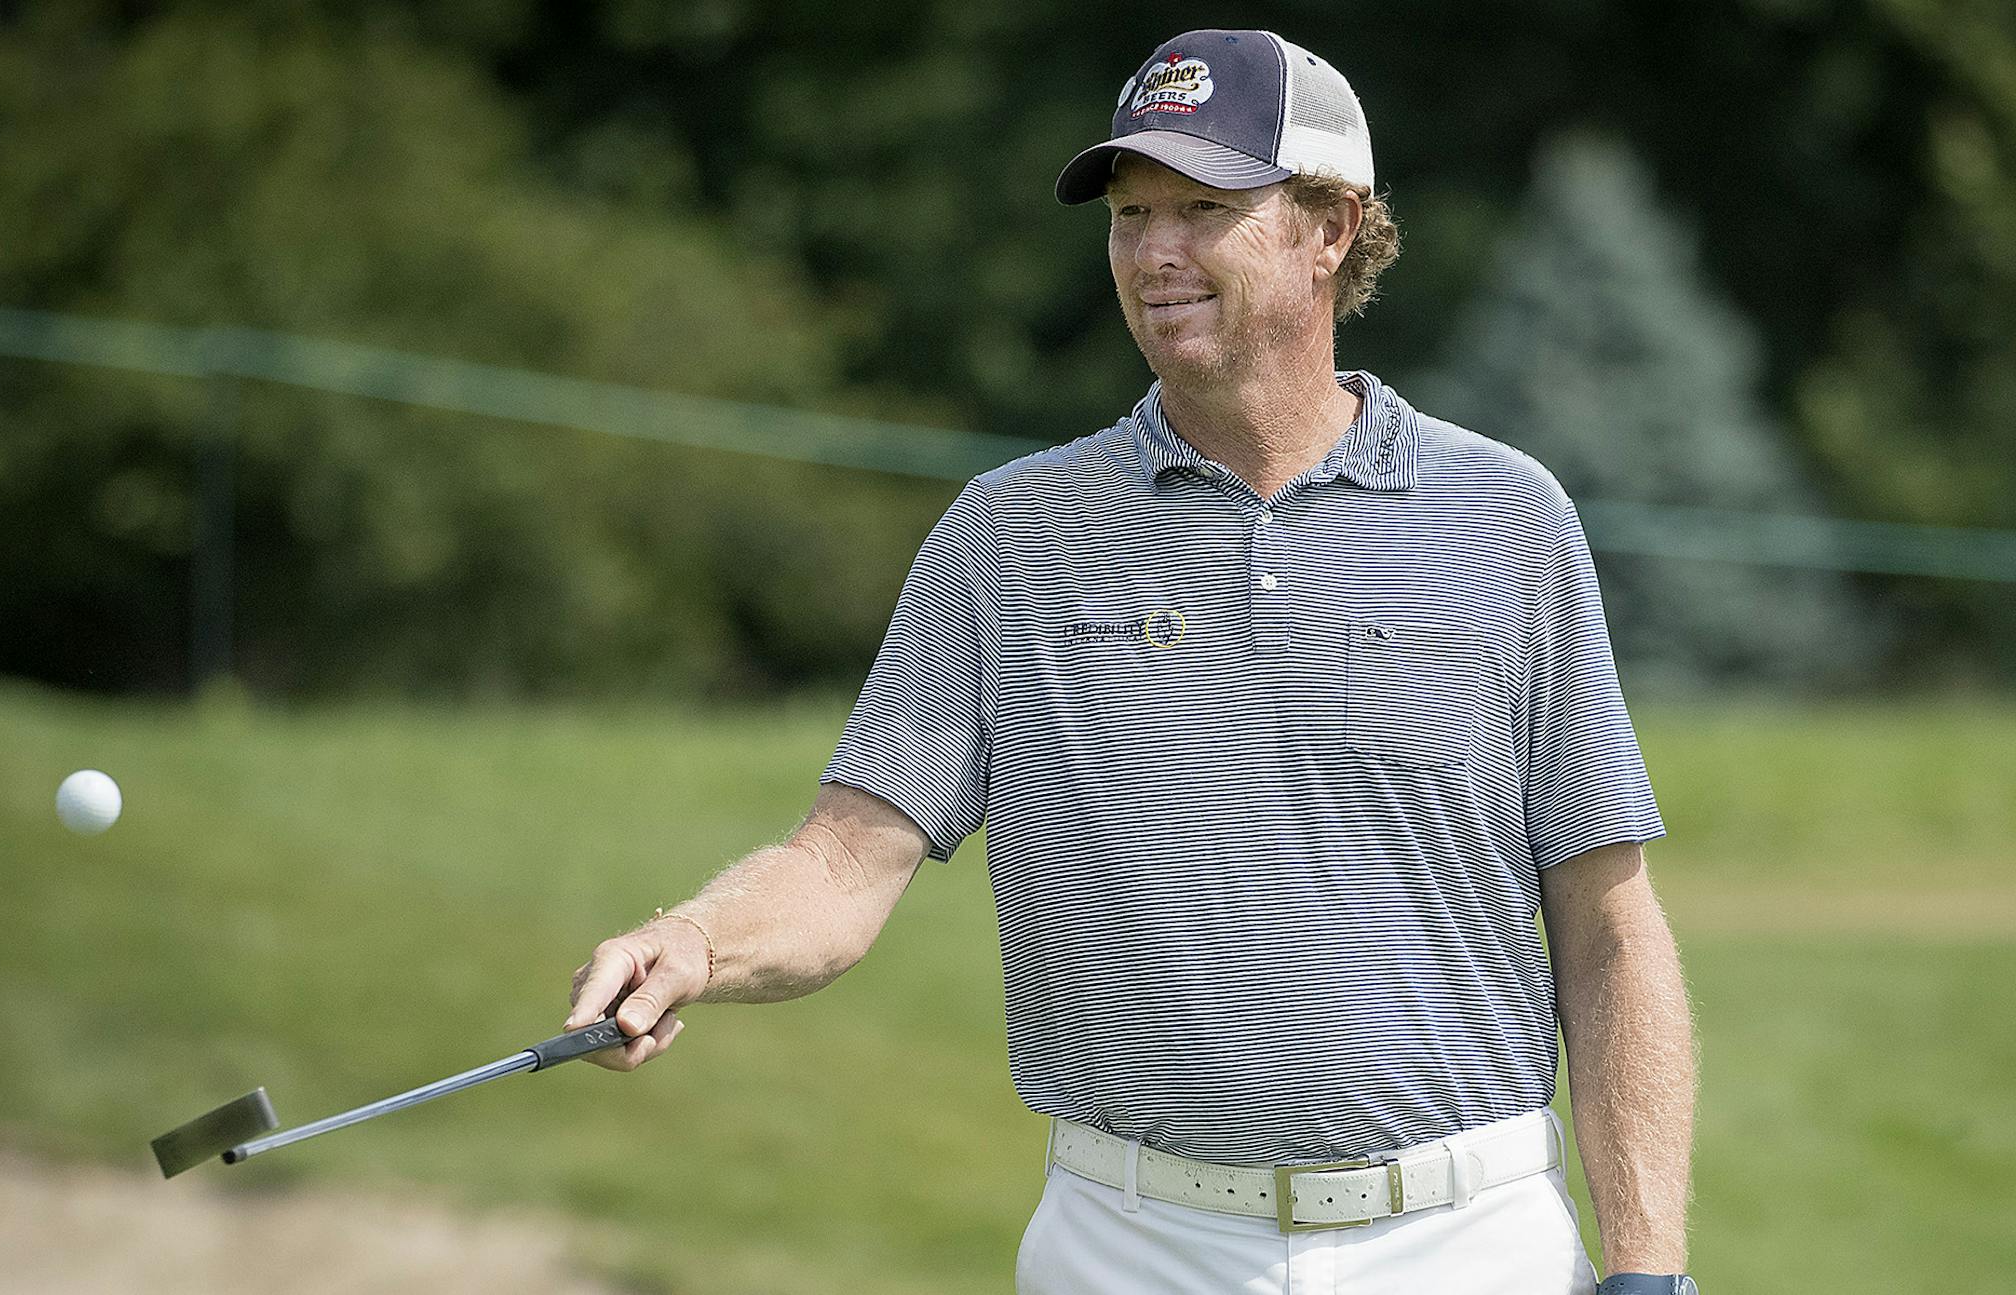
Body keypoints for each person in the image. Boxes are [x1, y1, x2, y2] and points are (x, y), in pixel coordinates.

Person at [563, 28, 1696, 1295]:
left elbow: (1607, 926)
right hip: (1131, 1245)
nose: (1154, 252)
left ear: (1331, 228)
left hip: (1462, 1238)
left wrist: (1647, 1269)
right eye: (1130, 213)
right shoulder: (1009, 535)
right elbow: (841, 861)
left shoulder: (1507, 517)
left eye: (1204, 209)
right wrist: (695, 941)